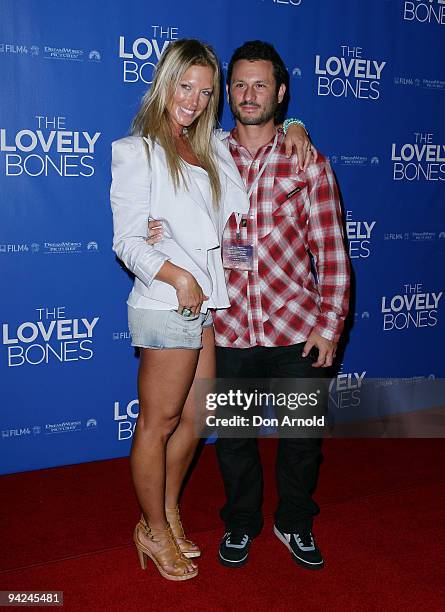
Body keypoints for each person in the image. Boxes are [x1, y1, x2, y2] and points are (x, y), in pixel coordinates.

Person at [110, 39, 312, 582]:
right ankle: (152, 528)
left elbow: (262, 135)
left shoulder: (211, 147)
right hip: (169, 302)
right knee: (159, 422)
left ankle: (168, 511)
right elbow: (127, 242)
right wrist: (176, 273)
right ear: (165, 82)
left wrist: (298, 128)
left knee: (196, 419)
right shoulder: (136, 151)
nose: (195, 100)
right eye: (185, 86)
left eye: (205, 91)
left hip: (208, 306)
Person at [211, 41, 350, 571]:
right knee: (235, 441)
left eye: (260, 85)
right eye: (240, 85)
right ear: (229, 92)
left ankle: (294, 522)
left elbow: (331, 252)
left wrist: (329, 327)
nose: (249, 95)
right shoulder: (208, 158)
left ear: (281, 93)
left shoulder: (307, 161)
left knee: (301, 441)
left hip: (297, 328)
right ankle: (242, 524)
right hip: (228, 331)